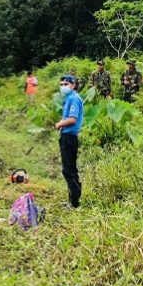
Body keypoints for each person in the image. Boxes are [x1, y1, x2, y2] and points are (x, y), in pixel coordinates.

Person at [55, 74, 83, 208]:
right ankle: (73, 199)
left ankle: (75, 203)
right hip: (66, 136)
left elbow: (72, 119)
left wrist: (60, 124)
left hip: (70, 137)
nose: (63, 87)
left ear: (73, 85)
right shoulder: (68, 98)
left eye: (65, 84)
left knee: (69, 170)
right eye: (61, 85)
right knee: (68, 169)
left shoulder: (74, 99)